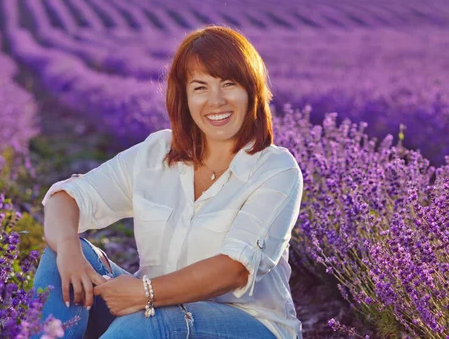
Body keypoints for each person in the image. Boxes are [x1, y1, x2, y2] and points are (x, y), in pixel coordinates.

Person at [33, 26, 303, 339]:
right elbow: (67, 199)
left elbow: (235, 269)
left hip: (248, 325)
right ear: (184, 97)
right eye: (200, 87)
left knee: (150, 322)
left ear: (251, 91)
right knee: (61, 258)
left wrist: (145, 293)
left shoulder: (275, 169)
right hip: (153, 311)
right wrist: (68, 250)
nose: (216, 101)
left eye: (229, 84)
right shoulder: (157, 153)